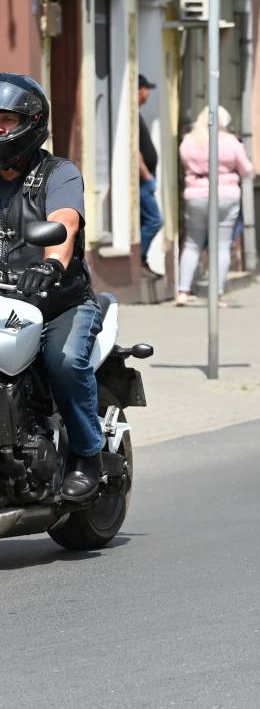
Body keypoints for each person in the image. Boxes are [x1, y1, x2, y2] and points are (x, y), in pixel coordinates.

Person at [0, 74, 105, 501]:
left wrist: (50, 264)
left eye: (6, 120)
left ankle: (88, 455)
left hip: (58, 301)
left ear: (31, 123)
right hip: (5, 303)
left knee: (64, 361)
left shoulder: (58, 173)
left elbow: (65, 222)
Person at [176, 106, 252, 308]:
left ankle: (183, 292)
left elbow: (183, 161)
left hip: (196, 194)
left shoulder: (189, 141)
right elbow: (247, 169)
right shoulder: (230, 141)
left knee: (192, 244)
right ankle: (216, 294)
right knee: (222, 245)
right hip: (226, 195)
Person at [137, 74, 163, 278]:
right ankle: (139, 258)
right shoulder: (132, 116)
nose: (148, 93)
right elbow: (135, 152)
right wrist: (147, 176)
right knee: (155, 220)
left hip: (145, 180)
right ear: (140, 90)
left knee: (147, 220)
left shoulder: (136, 114)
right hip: (142, 181)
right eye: (146, 89)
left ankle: (142, 260)